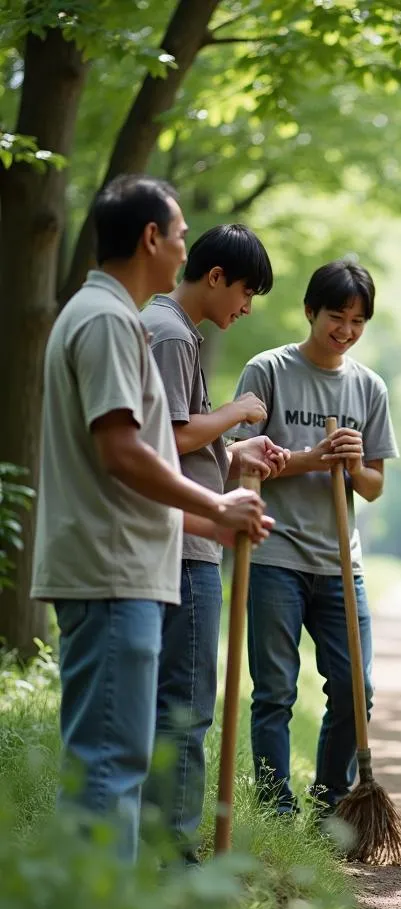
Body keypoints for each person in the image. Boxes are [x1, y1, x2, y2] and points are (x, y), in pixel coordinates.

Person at [30, 175, 272, 862]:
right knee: (111, 768)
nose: (185, 248)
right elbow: (121, 453)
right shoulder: (109, 321)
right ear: (151, 239)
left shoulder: (105, 316)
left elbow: (125, 473)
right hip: (111, 577)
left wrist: (208, 524)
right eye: (182, 234)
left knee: (114, 763)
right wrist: (215, 502)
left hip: (118, 565)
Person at [141, 224, 290, 863]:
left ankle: (152, 845)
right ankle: (174, 854)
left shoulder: (170, 329)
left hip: (174, 537)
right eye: (246, 292)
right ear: (215, 277)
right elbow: (169, 437)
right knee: (187, 707)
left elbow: (185, 441)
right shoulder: (172, 333)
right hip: (186, 547)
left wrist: (235, 453)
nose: (247, 308)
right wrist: (237, 413)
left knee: (167, 704)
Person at [230, 259, 398, 817]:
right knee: (274, 690)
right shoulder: (268, 369)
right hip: (274, 551)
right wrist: (309, 458)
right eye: (335, 316)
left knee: (356, 691)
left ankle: (330, 805)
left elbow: (373, 487)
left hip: (339, 561)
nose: (344, 330)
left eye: (357, 320)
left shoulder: (368, 386)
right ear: (309, 311)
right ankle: (276, 809)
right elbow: (239, 464)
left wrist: (351, 466)